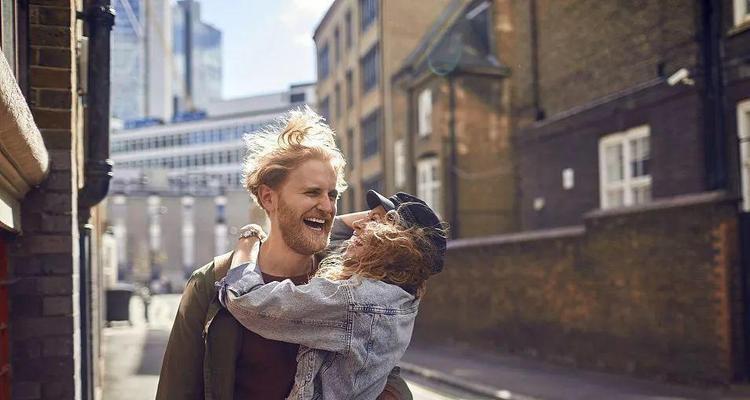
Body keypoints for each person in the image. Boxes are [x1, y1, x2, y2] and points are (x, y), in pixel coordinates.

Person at [156, 108, 413, 400]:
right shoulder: (209, 282)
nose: (327, 207)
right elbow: (175, 391)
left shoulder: (350, 283)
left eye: (332, 195)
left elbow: (384, 370)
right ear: (269, 197)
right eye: (312, 193)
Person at [217, 191, 446, 399]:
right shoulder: (402, 296)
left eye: (374, 221)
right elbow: (321, 232)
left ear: (397, 247)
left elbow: (245, 301)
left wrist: (248, 240)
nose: (358, 224)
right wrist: (378, 217)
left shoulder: (354, 301)